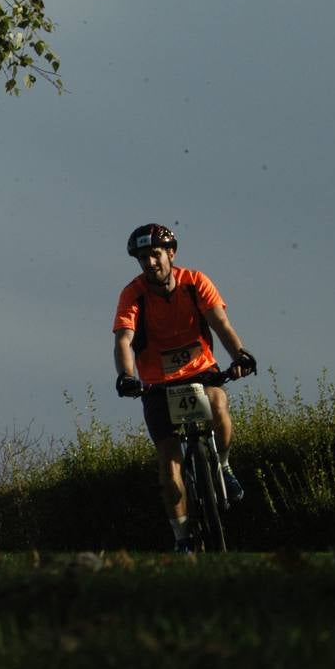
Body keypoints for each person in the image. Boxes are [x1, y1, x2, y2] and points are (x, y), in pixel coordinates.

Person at [112, 223, 257, 553]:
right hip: (157, 384)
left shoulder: (195, 283)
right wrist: (126, 375)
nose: (149, 264)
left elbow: (221, 324)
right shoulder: (132, 294)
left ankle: (223, 465)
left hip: (201, 371)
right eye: (142, 259)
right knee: (169, 465)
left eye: (155, 255)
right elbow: (124, 338)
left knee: (219, 406)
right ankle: (182, 539)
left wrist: (240, 356)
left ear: (170, 254)